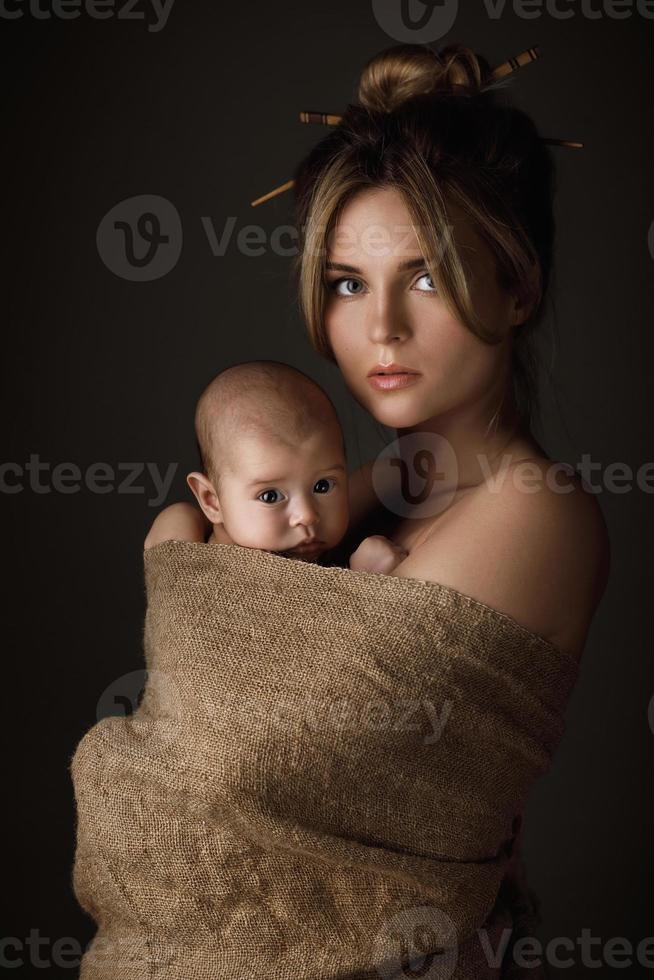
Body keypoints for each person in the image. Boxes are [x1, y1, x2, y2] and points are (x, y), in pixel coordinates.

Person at [146, 41, 610, 662]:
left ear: (519, 292)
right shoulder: (360, 492)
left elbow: (280, 725)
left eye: (429, 279)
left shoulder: (534, 509)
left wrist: (176, 548)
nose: (382, 328)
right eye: (350, 283)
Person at [159, 358, 408, 573]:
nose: (307, 515)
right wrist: (365, 580)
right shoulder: (216, 569)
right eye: (270, 496)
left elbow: (375, 481)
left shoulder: (293, 539)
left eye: (322, 486)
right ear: (211, 501)